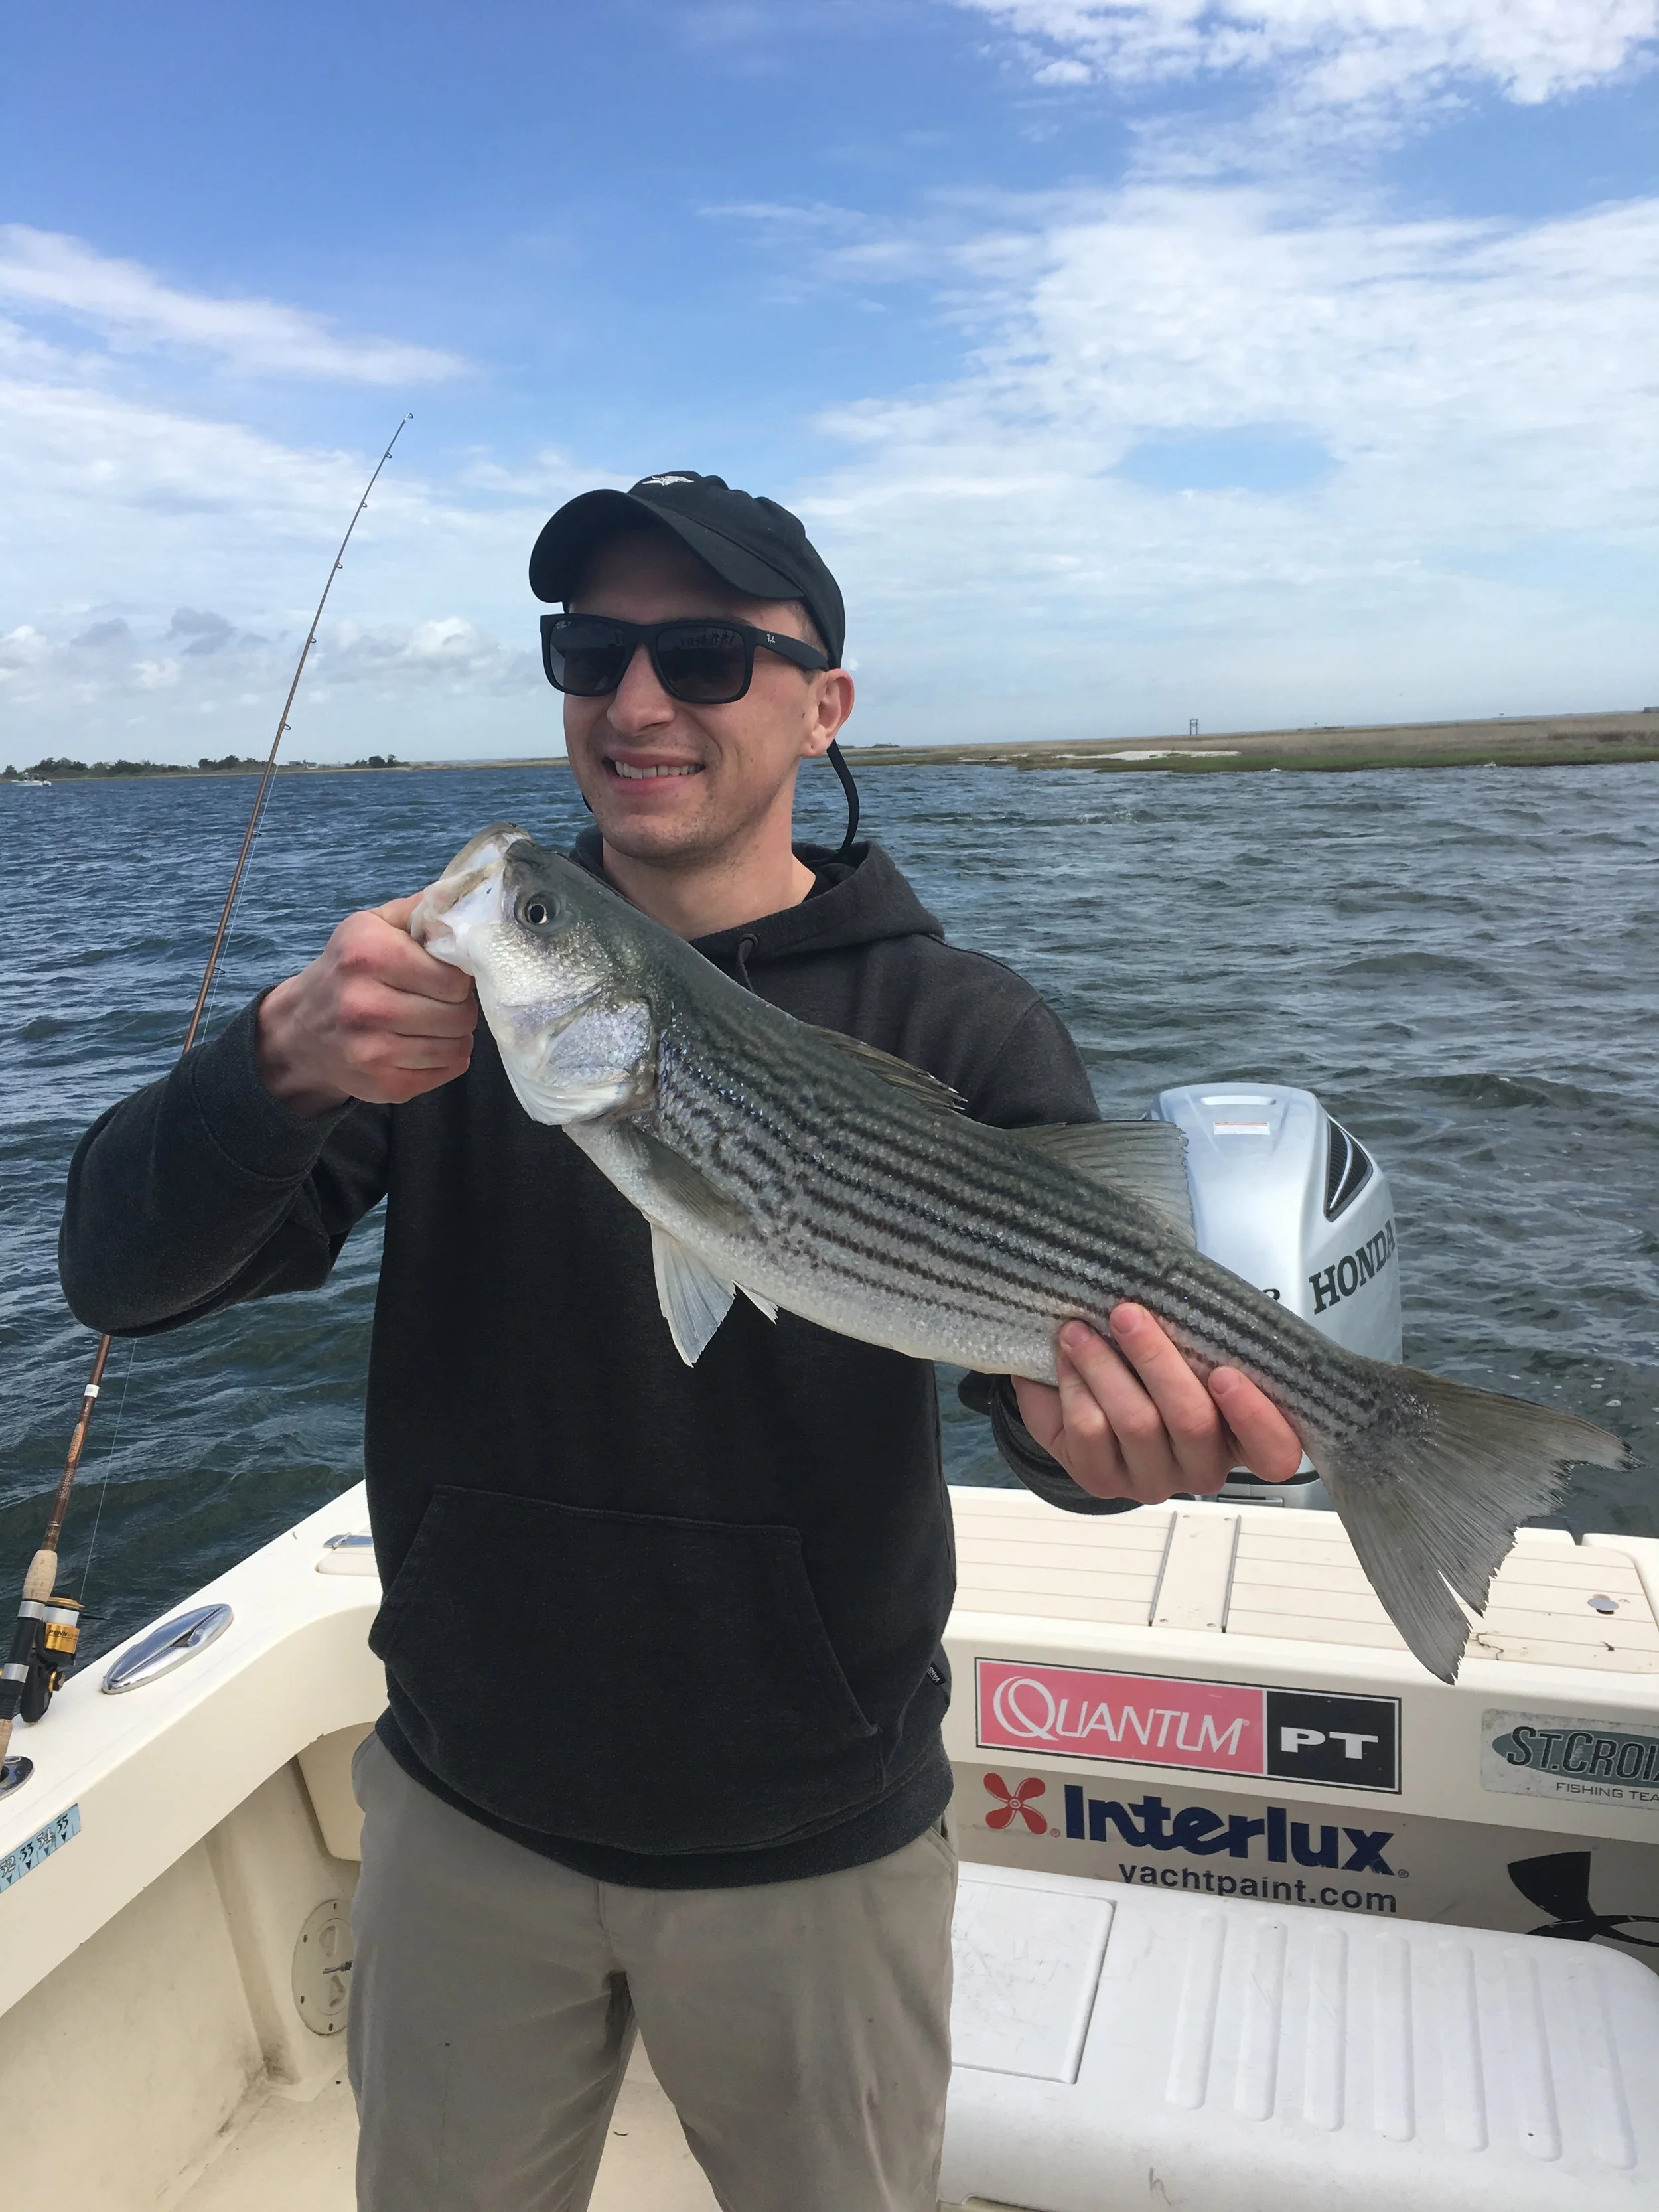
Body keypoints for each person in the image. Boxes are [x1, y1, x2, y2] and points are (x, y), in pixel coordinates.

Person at [60, 471, 1299, 2212]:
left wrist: (1096, 1448)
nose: (636, 701)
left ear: (823, 703)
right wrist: (275, 1062)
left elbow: (1034, 1391)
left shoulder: (959, 1019)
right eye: (590, 650)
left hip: (815, 1841)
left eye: (706, 655)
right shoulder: (439, 1007)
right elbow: (121, 1278)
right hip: (465, 1806)